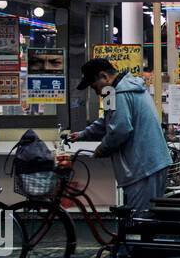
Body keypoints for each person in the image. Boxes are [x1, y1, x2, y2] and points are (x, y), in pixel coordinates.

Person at [70, 58, 172, 214]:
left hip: (145, 166)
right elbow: (107, 120)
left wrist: (102, 149)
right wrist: (83, 134)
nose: (96, 92)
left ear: (104, 76)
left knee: (141, 219)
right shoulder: (113, 92)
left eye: (94, 86)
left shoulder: (120, 94)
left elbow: (120, 130)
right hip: (148, 162)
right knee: (144, 217)